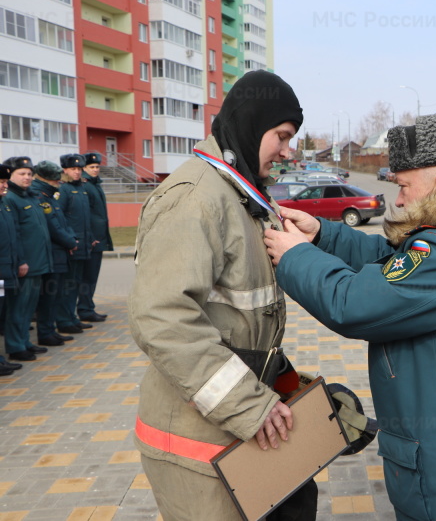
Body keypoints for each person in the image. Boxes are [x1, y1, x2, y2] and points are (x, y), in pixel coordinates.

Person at [264, 106, 436, 521]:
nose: (397, 199)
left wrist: (296, 257)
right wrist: (324, 235)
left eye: (403, 186)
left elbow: (352, 304)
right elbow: (394, 262)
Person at [128, 70, 316, 521]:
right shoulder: (197, 197)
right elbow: (161, 317)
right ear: (252, 125)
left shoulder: (237, 195)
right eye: (282, 136)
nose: (288, 151)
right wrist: (250, 405)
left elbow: (237, 318)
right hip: (198, 447)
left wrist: (286, 382)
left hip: (233, 434)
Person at [2, 157, 51, 362]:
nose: (27, 177)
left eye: (30, 174)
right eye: (22, 173)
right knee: (18, 307)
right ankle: (15, 345)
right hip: (24, 263)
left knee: (29, 305)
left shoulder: (30, 197)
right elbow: (15, 234)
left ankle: (24, 341)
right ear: (11, 176)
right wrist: (21, 260)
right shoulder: (10, 198)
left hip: (37, 261)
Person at [31, 160, 79, 347]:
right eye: (55, 180)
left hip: (59, 253)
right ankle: (45, 332)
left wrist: (72, 238)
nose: (59, 182)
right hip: (52, 253)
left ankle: (49, 331)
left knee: (54, 295)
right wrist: (70, 242)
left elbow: (63, 222)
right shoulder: (40, 196)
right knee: (48, 297)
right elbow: (53, 227)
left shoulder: (49, 195)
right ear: (45, 179)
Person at [55, 154, 95, 335]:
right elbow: (60, 218)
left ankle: (72, 318)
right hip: (72, 245)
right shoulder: (63, 190)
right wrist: (70, 240)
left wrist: (90, 237)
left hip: (83, 244)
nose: (77, 172)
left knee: (76, 283)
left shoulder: (82, 189)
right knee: (68, 285)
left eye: (79, 169)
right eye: (73, 169)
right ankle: (64, 320)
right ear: (65, 170)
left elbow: (85, 218)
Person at [78, 152, 113, 323]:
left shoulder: (94, 184)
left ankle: (87, 306)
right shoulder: (86, 185)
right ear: (84, 168)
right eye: (91, 167)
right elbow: (85, 215)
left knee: (91, 276)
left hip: (98, 237)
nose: (95, 169)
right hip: (92, 240)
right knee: (88, 276)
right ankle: (85, 309)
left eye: (97, 167)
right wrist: (91, 236)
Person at [0, 161, 24, 374]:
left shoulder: (4, 204)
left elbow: (13, 236)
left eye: (5, 181)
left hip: (5, 271)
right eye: (0, 181)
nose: (4, 185)